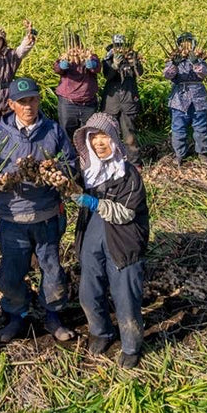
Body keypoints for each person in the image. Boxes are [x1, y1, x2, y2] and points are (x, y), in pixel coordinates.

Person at [0, 77, 77, 343]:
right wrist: (6, 176)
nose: (28, 106)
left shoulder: (53, 130)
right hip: (12, 216)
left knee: (53, 270)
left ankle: (53, 314)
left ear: (39, 101)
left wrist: (55, 170)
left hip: (47, 215)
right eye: (22, 102)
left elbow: (72, 163)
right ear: (11, 104)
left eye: (32, 99)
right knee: (11, 273)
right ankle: (16, 314)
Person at [71, 112, 149, 369]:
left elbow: (126, 213)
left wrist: (94, 202)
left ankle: (131, 345)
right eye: (94, 138)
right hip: (93, 237)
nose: (99, 143)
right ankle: (101, 331)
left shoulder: (128, 175)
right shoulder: (90, 172)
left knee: (125, 297)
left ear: (114, 139)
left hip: (123, 242)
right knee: (88, 292)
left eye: (104, 137)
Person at [164, 32, 207, 166]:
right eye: (183, 44)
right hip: (179, 99)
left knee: (201, 127)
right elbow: (167, 75)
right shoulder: (173, 59)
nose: (186, 46)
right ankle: (179, 154)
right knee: (178, 128)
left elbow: (203, 74)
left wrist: (195, 62)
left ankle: (202, 153)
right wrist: (174, 63)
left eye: (189, 43)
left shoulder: (200, 60)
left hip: (198, 98)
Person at [100, 34, 144, 167]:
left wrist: (134, 62)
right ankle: (110, 162)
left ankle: (134, 163)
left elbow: (139, 73)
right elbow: (107, 76)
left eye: (121, 46)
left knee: (129, 135)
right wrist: (114, 65)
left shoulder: (132, 58)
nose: (119, 49)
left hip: (128, 102)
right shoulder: (108, 59)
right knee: (109, 134)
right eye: (117, 46)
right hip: (111, 102)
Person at [53, 33, 101, 144]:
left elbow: (97, 68)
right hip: (68, 102)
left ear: (81, 45)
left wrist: (92, 65)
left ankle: (86, 158)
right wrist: (61, 66)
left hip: (88, 102)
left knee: (88, 133)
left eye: (77, 46)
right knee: (66, 132)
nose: (74, 49)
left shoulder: (90, 56)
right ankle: (69, 158)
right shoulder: (64, 57)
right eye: (71, 46)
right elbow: (57, 69)